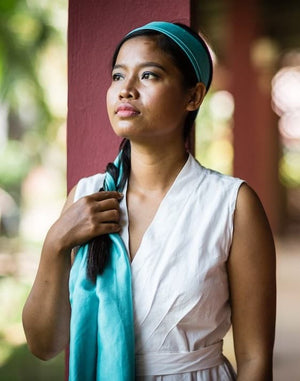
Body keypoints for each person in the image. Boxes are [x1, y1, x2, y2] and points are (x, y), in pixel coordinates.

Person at [22, 21, 276, 380]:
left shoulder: (231, 204)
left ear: (194, 97)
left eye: (149, 76)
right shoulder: (87, 198)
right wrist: (55, 245)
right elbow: (43, 345)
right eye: (117, 76)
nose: (125, 90)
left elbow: (255, 360)